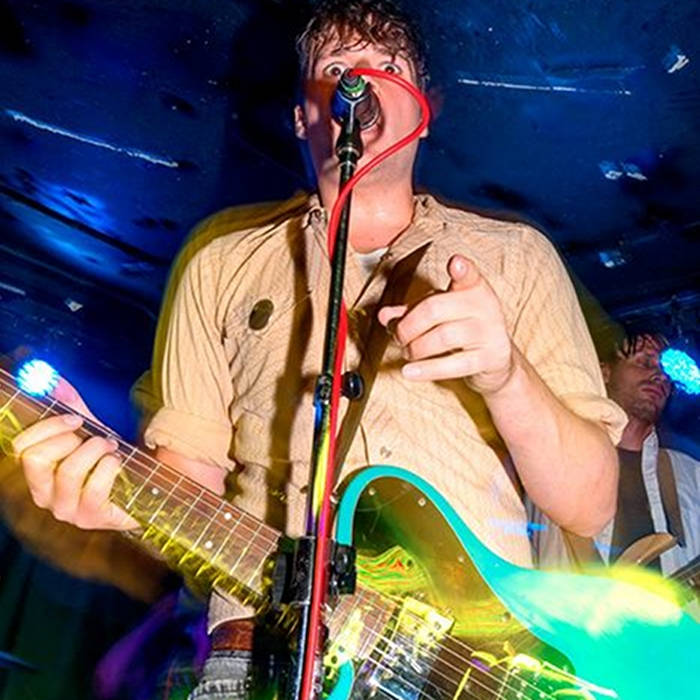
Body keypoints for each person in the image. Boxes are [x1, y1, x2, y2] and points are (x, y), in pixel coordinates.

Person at [11, 1, 626, 697]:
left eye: (389, 66)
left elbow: (589, 505)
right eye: (335, 68)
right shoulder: (218, 261)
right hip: (257, 651)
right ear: (302, 116)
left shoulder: (516, 258)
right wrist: (121, 501)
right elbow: (190, 482)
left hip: (470, 660)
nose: (361, 80)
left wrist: (507, 376)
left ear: (425, 110)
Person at [532, 331, 700, 576]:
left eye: (666, 373)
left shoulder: (691, 474)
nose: (659, 376)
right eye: (644, 362)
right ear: (604, 372)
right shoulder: (555, 454)